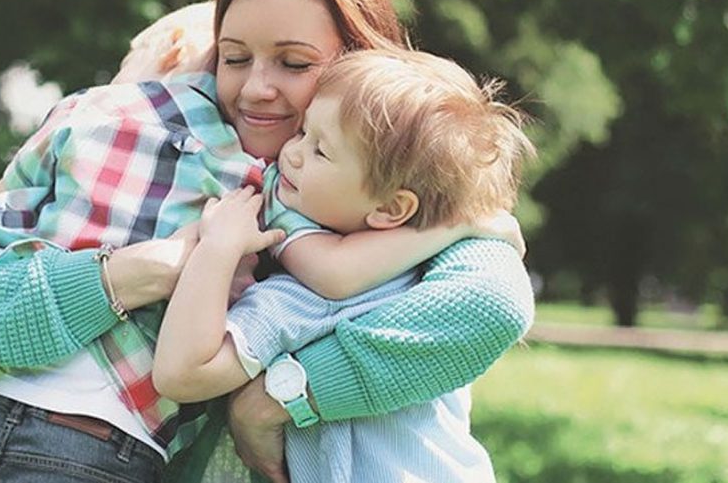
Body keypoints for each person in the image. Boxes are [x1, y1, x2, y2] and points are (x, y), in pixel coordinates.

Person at [0, 0, 534, 482]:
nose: (256, 88)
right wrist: (127, 272)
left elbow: (492, 304)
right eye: (232, 57)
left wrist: (280, 398)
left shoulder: (416, 180)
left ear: (359, 69)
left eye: (295, 64)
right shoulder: (180, 152)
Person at [152, 48, 534, 483]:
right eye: (301, 132)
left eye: (321, 151)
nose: (291, 154)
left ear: (391, 208)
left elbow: (181, 373)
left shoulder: (314, 302)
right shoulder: (433, 281)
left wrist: (217, 248)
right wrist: (460, 225)